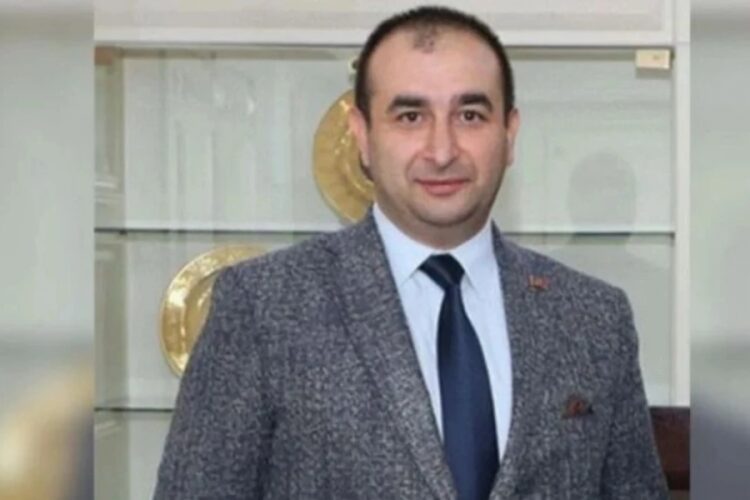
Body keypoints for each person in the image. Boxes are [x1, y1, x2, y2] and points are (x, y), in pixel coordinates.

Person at [154, 6, 668, 499]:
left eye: (470, 115)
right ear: (362, 136)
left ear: (509, 134)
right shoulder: (263, 307)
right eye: (409, 116)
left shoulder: (594, 319)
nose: (442, 151)